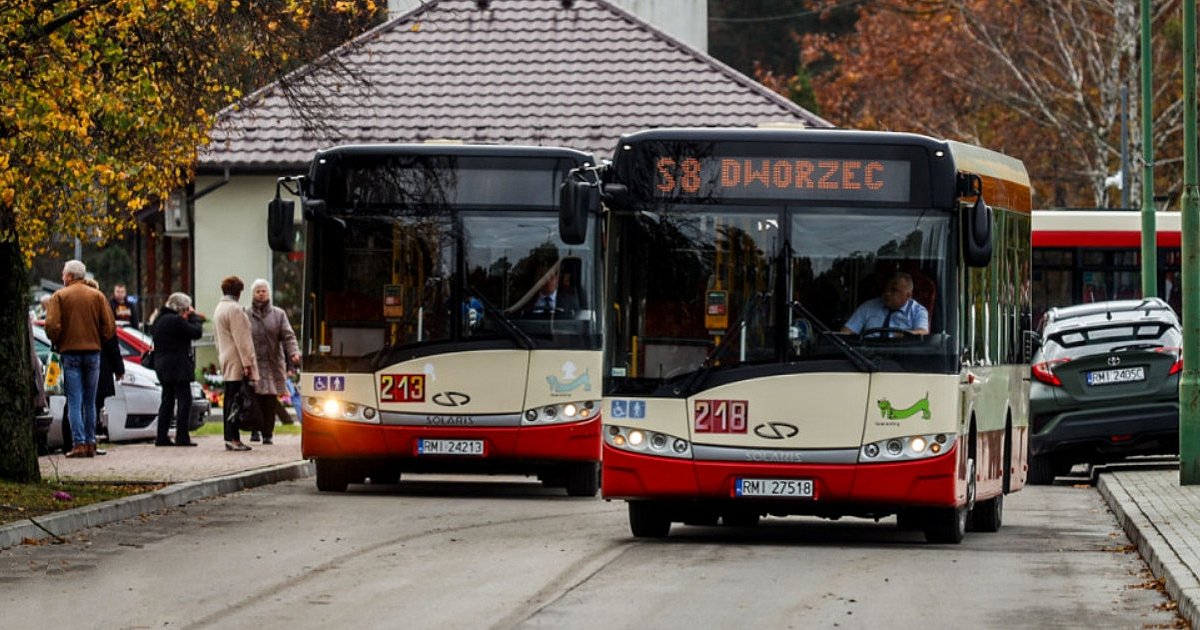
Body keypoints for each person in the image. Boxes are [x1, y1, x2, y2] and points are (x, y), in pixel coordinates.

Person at [44, 259, 115, 458]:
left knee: (74, 400)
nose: (62, 277)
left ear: (70, 276)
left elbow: (52, 326)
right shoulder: (98, 296)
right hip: (93, 353)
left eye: (63, 274)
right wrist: (96, 338)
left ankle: (79, 443)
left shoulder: (60, 296)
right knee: (90, 402)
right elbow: (109, 327)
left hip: (70, 352)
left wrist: (59, 340)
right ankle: (91, 443)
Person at [246, 279, 300, 444]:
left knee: (269, 399)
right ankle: (255, 430)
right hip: (253, 363)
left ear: (269, 293)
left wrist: (294, 352)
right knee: (254, 398)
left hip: (272, 363)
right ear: (253, 294)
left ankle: (267, 434)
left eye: (264, 291)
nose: (261, 293)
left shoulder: (279, 314)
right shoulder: (245, 314)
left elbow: (288, 336)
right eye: (258, 291)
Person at [151, 292, 205, 447]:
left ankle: (161, 436)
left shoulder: (159, 319)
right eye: (187, 307)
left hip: (162, 364)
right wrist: (194, 316)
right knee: (184, 400)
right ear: (182, 307)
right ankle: (182, 436)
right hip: (178, 366)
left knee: (167, 400)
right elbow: (196, 332)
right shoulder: (175, 320)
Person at [214, 276, 257, 451]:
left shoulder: (219, 308)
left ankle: (229, 436)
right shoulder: (235, 310)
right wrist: (247, 363)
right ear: (238, 292)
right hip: (236, 358)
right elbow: (242, 339)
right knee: (236, 401)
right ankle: (234, 438)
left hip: (225, 356)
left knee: (230, 399)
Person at [841, 271, 929, 337]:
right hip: (866, 355)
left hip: (900, 356)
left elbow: (923, 332)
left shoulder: (918, 311)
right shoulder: (868, 306)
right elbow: (845, 333)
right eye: (886, 289)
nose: (887, 293)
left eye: (894, 290)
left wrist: (906, 335)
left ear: (908, 295)